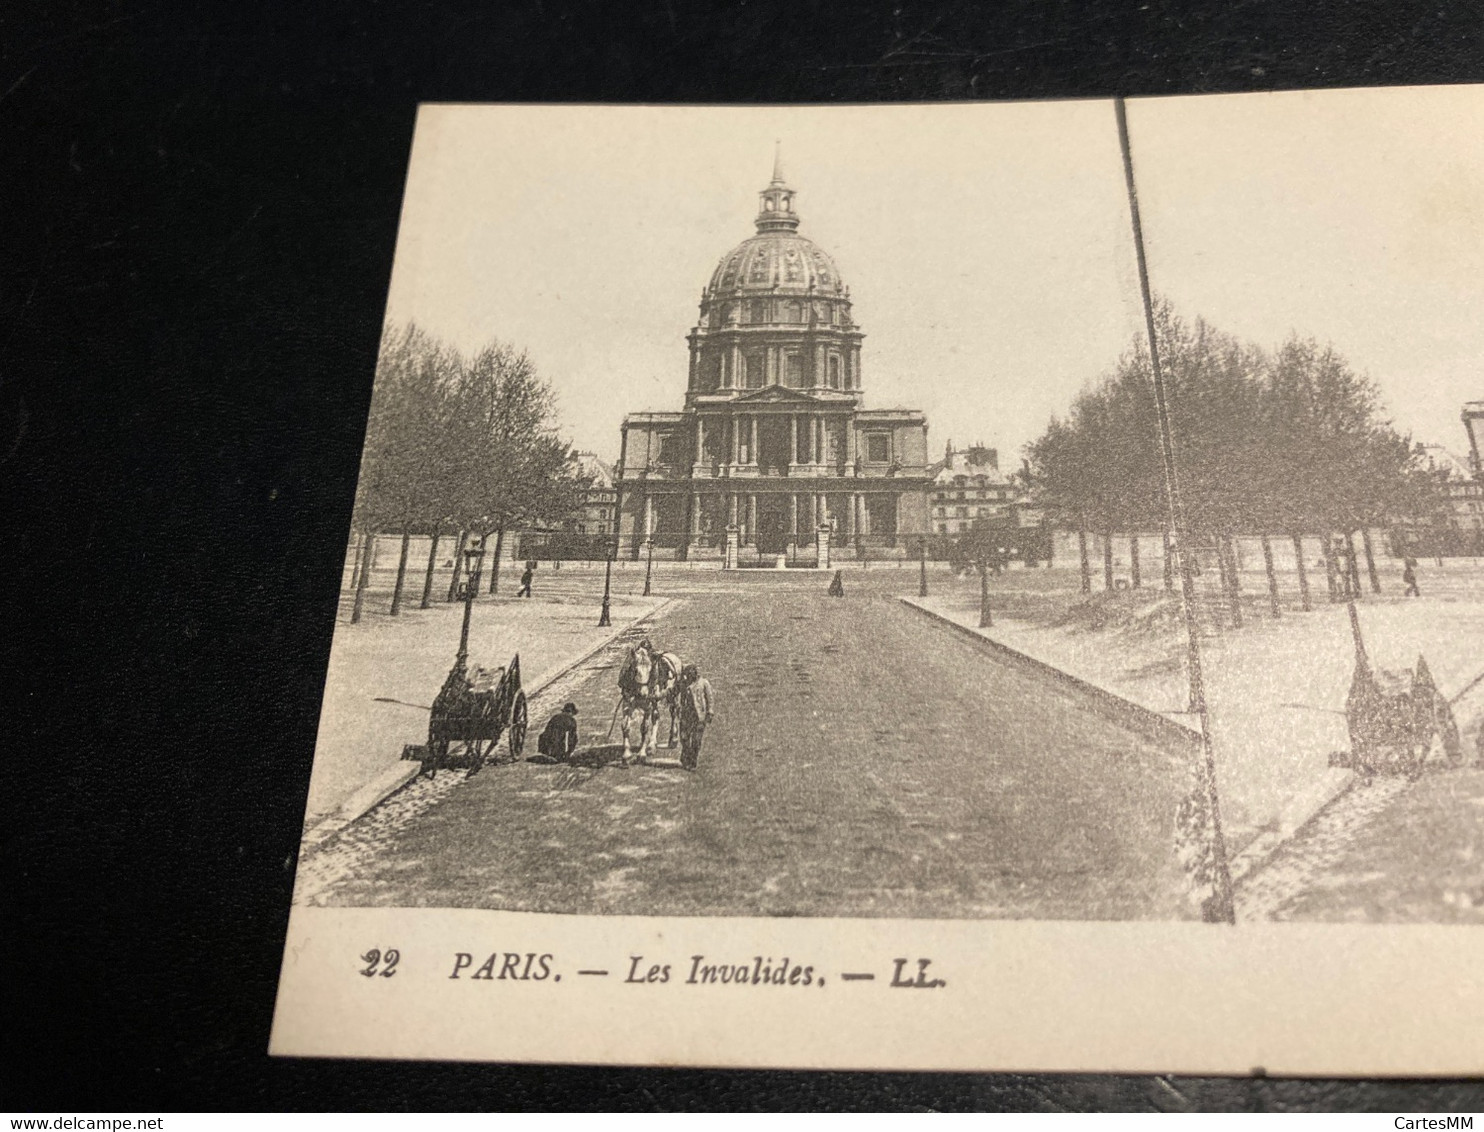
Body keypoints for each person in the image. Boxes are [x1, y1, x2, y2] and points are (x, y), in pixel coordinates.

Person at [676, 664, 714, 771]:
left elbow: (709, 698)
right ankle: (685, 756)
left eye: (690, 675)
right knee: (684, 738)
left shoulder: (704, 683)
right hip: (686, 715)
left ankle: (693, 762)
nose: (687, 678)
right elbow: (673, 691)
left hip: (699, 716)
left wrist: (710, 712)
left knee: (696, 740)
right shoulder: (683, 684)